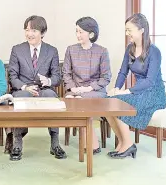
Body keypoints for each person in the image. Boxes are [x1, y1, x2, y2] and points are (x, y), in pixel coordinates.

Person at [107, 13, 166, 159]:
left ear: (141, 30)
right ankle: (122, 142)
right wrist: (116, 88)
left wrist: (127, 91)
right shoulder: (130, 48)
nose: (127, 34)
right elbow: (122, 72)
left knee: (120, 104)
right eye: (126, 30)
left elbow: (150, 81)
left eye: (130, 30)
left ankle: (128, 145)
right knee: (108, 103)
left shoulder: (154, 51)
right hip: (138, 91)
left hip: (154, 94)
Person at [7, 15, 66, 161]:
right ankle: (17, 144)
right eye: (27, 30)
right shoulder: (17, 50)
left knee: (51, 97)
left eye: (33, 30)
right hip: (23, 90)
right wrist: (25, 87)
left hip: (44, 89)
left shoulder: (51, 51)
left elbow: (57, 77)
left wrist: (49, 80)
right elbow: (12, 77)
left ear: (43, 33)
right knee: (20, 97)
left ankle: (55, 143)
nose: (29, 34)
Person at [62, 17, 111, 154]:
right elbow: (66, 73)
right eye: (76, 31)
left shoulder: (102, 51)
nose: (78, 35)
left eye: (81, 32)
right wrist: (72, 88)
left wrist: (88, 88)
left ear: (91, 34)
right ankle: (90, 141)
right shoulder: (71, 50)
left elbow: (106, 77)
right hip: (75, 90)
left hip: (95, 91)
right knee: (72, 98)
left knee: (79, 100)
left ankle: (92, 143)